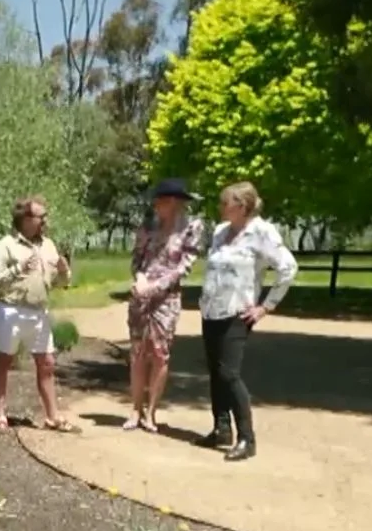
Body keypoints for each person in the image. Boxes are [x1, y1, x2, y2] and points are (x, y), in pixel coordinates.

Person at [197, 181, 298, 461]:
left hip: (237, 313)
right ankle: (221, 428)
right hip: (211, 311)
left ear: (241, 206)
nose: (219, 207)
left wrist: (265, 307)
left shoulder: (262, 232)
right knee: (216, 373)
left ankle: (246, 438)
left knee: (229, 374)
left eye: (224, 202)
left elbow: (288, 268)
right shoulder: (220, 232)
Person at [0, 195, 76, 433]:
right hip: (11, 310)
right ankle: (1, 416)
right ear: (25, 219)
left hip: (39, 312)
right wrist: (18, 269)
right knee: (4, 362)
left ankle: (52, 416)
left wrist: (64, 274)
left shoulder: (48, 245)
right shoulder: (5, 246)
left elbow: (56, 283)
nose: (46, 221)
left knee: (46, 362)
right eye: (41, 216)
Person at [124, 178, 207, 433]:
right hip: (141, 295)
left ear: (173, 202)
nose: (155, 205)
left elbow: (185, 266)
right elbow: (137, 259)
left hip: (167, 298)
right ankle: (134, 410)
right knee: (138, 352)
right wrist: (139, 278)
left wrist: (156, 286)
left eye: (160, 200)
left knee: (160, 353)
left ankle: (151, 413)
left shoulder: (192, 227)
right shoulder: (148, 226)